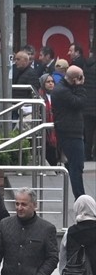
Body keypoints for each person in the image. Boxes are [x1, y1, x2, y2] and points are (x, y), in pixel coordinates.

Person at [54, 65, 87, 199]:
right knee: (76, 167)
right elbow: (80, 103)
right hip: (70, 133)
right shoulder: (62, 91)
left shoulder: (65, 88)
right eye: (81, 77)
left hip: (71, 131)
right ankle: (80, 198)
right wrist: (80, 87)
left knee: (75, 166)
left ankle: (80, 197)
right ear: (75, 79)